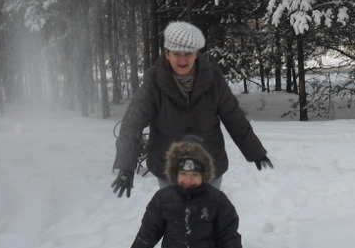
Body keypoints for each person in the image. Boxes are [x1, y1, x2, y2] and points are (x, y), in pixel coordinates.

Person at [112, 21, 272, 198]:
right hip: (169, 168)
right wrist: (126, 166)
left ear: (196, 54)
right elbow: (131, 124)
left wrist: (255, 152)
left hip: (209, 165)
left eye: (188, 54)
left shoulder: (213, 78)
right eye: (176, 54)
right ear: (167, 54)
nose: (182, 60)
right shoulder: (153, 82)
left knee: (207, 218)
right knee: (174, 219)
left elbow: (234, 117)